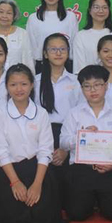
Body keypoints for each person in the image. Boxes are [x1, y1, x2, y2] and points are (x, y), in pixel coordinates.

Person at [0, 64, 65, 223]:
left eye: (23, 84)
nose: (19, 89)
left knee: (43, 218)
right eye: (13, 84)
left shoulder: (41, 113)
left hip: (37, 170)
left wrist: (37, 184)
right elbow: (1, 151)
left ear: (31, 85)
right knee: (16, 221)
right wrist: (15, 183)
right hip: (10, 171)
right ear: (7, 87)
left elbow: (45, 150)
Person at [60, 65, 112, 222]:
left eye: (97, 84)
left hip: (109, 169)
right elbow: (63, 142)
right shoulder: (74, 114)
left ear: (106, 85)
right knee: (77, 214)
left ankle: (100, 200)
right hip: (81, 169)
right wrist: (81, 136)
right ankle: (91, 200)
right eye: (87, 86)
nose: (93, 90)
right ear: (81, 89)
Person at [34, 33, 83, 197]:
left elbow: (81, 116)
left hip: (68, 135)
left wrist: (66, 150)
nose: (58, 53)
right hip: (41, 136)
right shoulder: (35, 82)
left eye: (63, 49)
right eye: (53, 49)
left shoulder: (76, 82)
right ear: (45, 54)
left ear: (68, 52)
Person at [26, 0, 78, 73]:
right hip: (41, 66)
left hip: (65, 66)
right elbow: (30, 49)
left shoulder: (70, 17)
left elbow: (74, 46)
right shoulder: (33, 18)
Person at [0, 0, 34, 74]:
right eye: (1, 12)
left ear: (14, 16)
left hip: (17, 78)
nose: (4, 16)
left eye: (9, 13)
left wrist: (29, 79)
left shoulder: (23, 34)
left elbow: (28, 61)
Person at [73, 0, 112, 73]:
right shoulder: (81, 36)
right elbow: (79, 68)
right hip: (89, 79)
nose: (100, 11)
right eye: (96, 7)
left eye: (104, 7)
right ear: (90, 10)